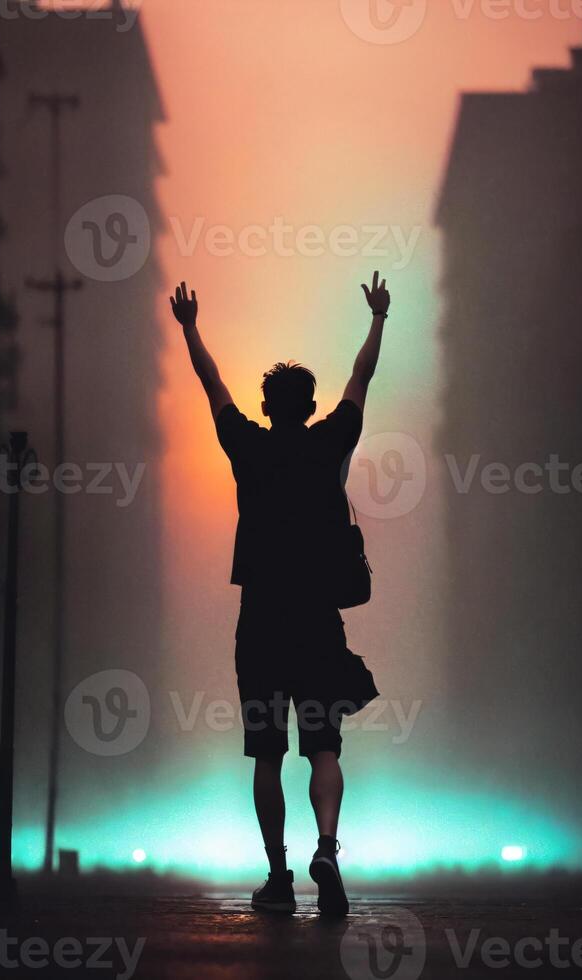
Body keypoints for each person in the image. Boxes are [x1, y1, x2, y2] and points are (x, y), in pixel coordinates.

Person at [170, 272, 390, 916]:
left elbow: (211, 386)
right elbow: (362, 377)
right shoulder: (331, 444)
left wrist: (190, 327)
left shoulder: (248, 448)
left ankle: (278, 875)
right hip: (318, 622)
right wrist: (378, 320)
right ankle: (327, 844)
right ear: (313, 403)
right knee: (324, 745)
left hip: (261, 622)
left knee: (266, 753)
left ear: (267, 407)